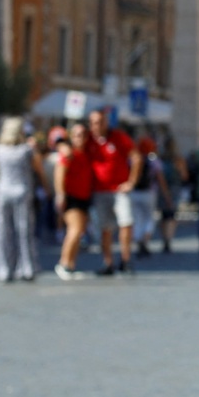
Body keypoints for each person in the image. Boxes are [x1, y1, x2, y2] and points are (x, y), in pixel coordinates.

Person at [85, 106, 137, 274]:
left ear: (106, 122)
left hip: (119, 189)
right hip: (100, 191)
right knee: (105, 228)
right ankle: (108, 262)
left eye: (99, 122)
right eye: (93, 123)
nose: (96, 126)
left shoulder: (118, 138)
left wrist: (131, 181)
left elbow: (136, 157)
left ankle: (125, 259)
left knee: (126, 223)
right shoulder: (89, 141)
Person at [0, 117, 39, 283]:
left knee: (3, 230)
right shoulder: (26, 149)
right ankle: (27, 267)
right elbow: (35, 167)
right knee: (24, 230)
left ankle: (5, 268)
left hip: (3, 190)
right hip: (22, 189)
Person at [53, 121, 95, 281]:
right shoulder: (68, 153)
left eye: (84, 135)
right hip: (71, 197)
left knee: (79, 231)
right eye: (77, 135)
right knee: (75, 230)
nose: (81, 138)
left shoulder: (86, 153)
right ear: (71, 136)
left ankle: (70, 264)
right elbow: (59, 172)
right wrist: (60, 194)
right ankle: (63, 263)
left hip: (84, 196)